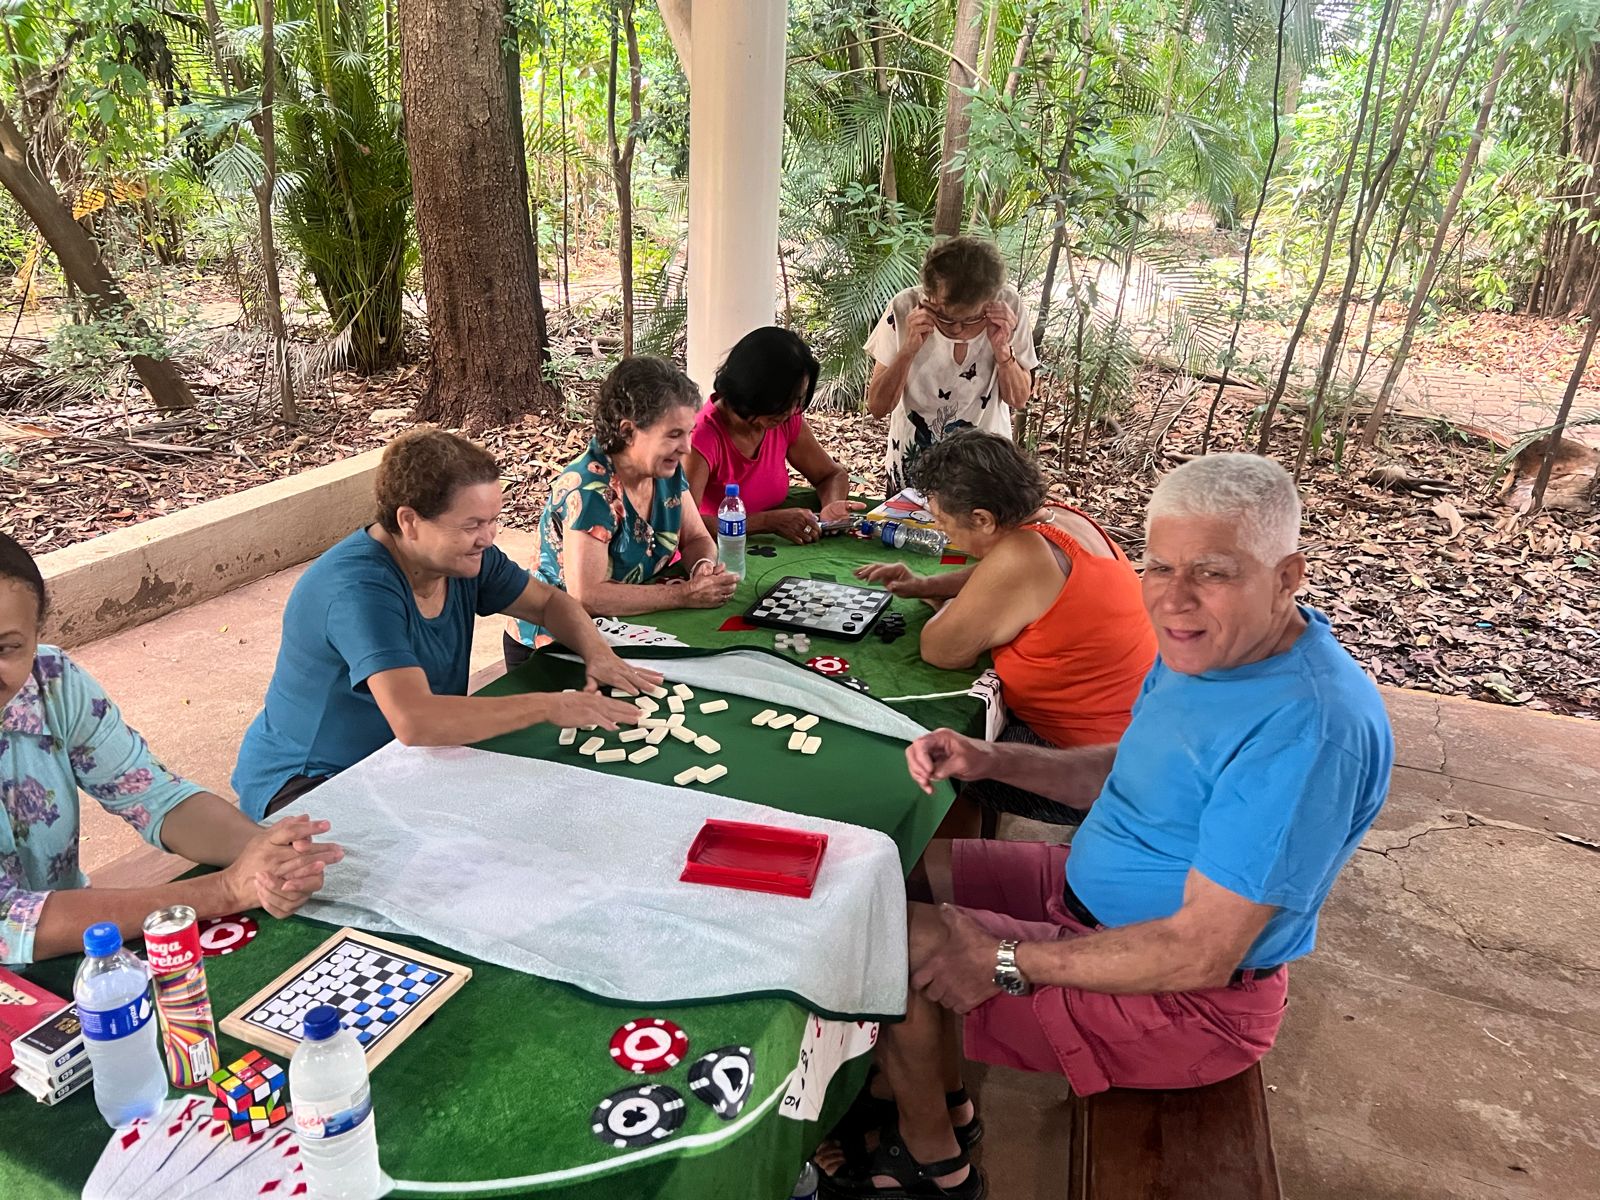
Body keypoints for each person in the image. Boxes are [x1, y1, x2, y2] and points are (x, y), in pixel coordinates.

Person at [821, 455, 1394, 1199]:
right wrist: (990, 759)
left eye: (1213, 572)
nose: (1176, 601)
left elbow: (1200, 954)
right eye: (1159, 568)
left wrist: (1003, 959)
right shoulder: (1210, 654)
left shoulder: (1307, 729)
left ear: (1289, 577)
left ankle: (932, 1162)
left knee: (894, 941)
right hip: (1086, 895)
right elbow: (1128, 771)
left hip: (1190, 1005)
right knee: (881, 872)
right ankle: (946, 1099)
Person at [234, 429, 657, 819]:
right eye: (472, 524)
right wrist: (550, 705)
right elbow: (416, 721)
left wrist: (599, 655)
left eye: (493, 520)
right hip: (312, 781)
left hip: (405, 763)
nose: (488, 538)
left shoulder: (466, 558)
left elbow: (549, 603)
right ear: (409, 521)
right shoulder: (357, 590)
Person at [0, 534, 342, 965]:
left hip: (76, 953)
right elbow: (8, 921)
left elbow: (152, 794)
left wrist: (267, 854)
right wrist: (220, 891)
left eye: (7, 647)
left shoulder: (51, 681)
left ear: (36, 634)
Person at [854, 431, 1156, 826]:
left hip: (1087, 769)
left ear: (982, 519)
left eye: (945, 523)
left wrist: (942, 604)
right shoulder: (1059, 519)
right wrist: (926, 585)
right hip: (1134, 745)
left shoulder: (1023, 554)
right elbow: (994, 577)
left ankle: (942, 872)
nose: (944, 535)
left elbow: (940, 649)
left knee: (916, 754)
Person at [506, 357, 738, 666]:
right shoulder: (590, 490)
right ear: (628, 431)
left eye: (689, 432)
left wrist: (702, 569)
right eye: (673, 435)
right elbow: (587, 596)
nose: (686, 447)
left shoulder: (664, 472)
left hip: (617, 632)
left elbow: (696, 537)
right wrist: (685, 595)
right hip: (553, 646)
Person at [864, 237, 1040, 495]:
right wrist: (908, 349)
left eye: (971, 319)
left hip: (984, 470)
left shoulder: (1007, 309)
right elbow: (878, 406)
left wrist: (1003, 350)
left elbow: (1019, 399)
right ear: (929, 294)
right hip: (913, 466)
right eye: (944, 316)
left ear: (989, 300)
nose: (957, 328)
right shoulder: (904, 308)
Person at [684, 327, 864, 544]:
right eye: (781, 402)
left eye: (797, 401)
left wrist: (830, 508)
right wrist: (765, 522)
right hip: (718, 553)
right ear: (752, 390)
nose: (790, 412)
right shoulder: (701, 437)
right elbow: (684, 525)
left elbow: (831, 475)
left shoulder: (783, 421)